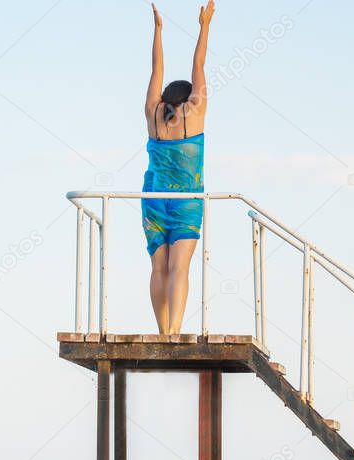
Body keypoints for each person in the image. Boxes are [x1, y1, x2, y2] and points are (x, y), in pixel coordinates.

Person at [142, 1, 214, 335]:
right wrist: (204, 26)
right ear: (188, 98)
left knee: (159, 268)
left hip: (153, 199)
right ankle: (173, 333)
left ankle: (162, 332)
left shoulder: (153, 113)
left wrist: (158, 31)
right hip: (186, 201)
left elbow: (156, 68)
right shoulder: (194, 112)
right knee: (180, 267)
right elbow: (198, 61)